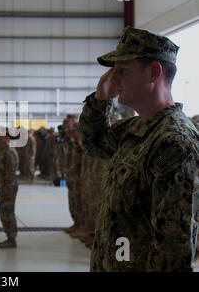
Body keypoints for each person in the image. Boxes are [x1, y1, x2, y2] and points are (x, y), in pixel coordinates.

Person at [78, 26, 199, 271]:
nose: (113, 78)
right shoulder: (134, 129)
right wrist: (101, 100)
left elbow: (172, 251)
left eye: (122, 70)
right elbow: (94, 143)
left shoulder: (174, 142)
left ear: (154, 72)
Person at [0, 131, 19, 248]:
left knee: (8, 212)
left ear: (6, 138)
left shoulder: (10, 152)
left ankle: (11, 238)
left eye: (1, 137)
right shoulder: (5, 150)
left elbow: (10, 174)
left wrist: (6, 189)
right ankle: (10, 237)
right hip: (6, 186)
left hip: (9, 187)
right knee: (4, 212)